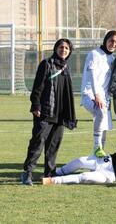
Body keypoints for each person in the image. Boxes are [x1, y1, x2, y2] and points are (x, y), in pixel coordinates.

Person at [21, 39, 77, 186]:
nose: (63, 50)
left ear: (69, 51)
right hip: (45, 112)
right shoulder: (46, 64)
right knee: (37, 143)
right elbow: (37, 87)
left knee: (53, 146)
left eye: (66, 48)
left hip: (60, 115)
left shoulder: (65, 67)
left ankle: (49, 174)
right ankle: (27, 173)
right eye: (61, 47)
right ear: (55, 48)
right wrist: (36, 106)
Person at [81, 30, 116, 157]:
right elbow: (92, 76)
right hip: (90, 94)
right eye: (111, 41)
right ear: (105, 40)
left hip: (104, 98)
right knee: (100, 112)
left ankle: (98, 155)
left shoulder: (112, 59)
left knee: (104, 127)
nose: (113, 44)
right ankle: (97, 147)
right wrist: (96, 95)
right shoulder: (94, 54)